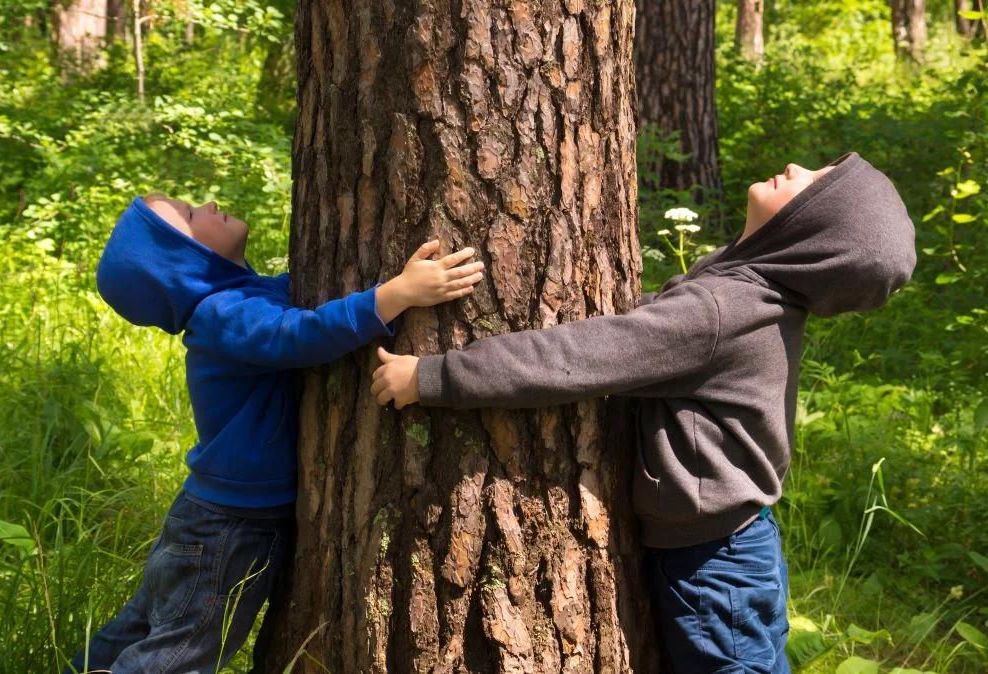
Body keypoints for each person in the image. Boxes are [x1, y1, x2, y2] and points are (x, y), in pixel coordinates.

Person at [370, 152, 916, 673]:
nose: (798, 167)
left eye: (814, 183)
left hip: (716, 565)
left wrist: (432, 376)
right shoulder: (745, 295)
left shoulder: (722, 312)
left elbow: (575, 357)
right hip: (726, 550)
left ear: (809, 233)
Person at [67, 194, 484, 673]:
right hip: (230, 526)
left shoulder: (240, 300)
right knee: (182, 651)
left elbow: (304, 312)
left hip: (213, 516)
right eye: (188, 215)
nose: (207, 203)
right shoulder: (223, 314)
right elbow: (298, 335)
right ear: (183, 263)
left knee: (145, 629)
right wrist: (396, 295)